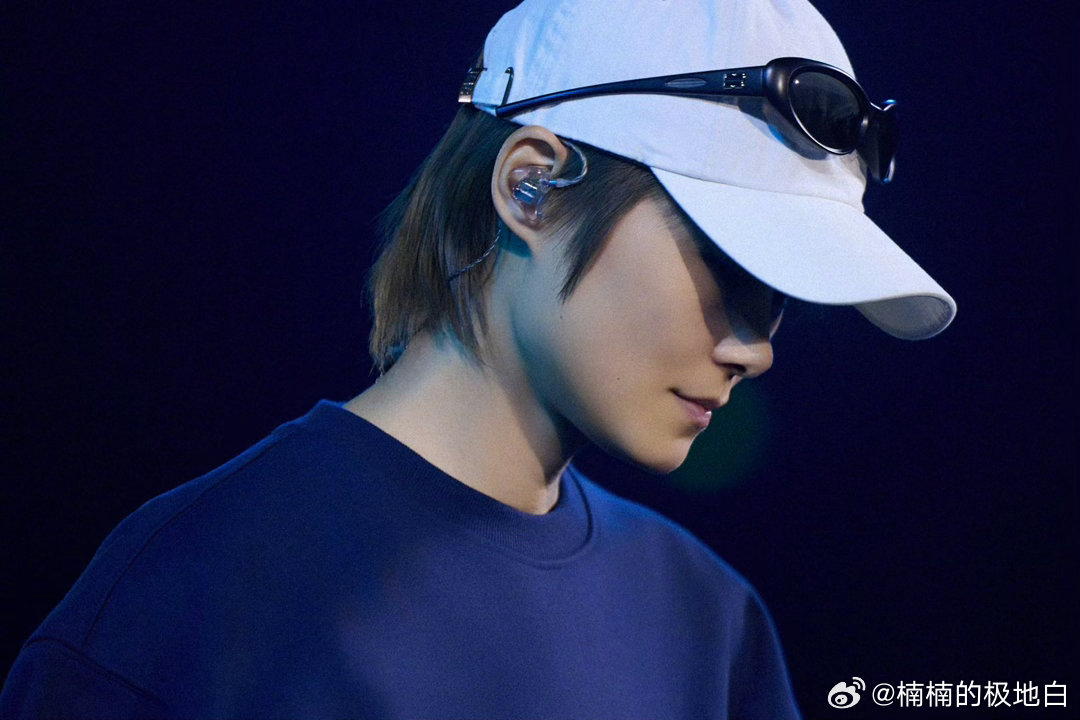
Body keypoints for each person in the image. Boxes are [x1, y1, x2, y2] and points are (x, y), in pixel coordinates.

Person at [0, 0, 955, 717]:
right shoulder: (186, 606)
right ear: (530, 186)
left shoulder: (708, 625)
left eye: (780, 291)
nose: (757, 348)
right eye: (728, 263)